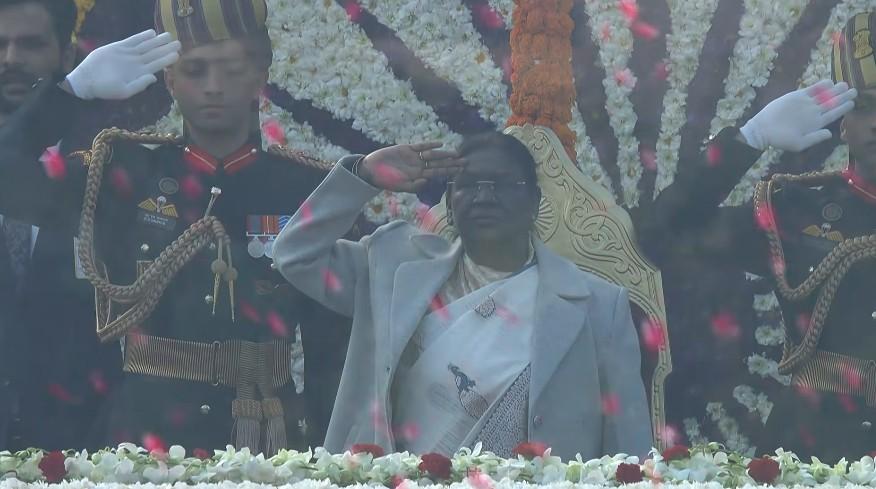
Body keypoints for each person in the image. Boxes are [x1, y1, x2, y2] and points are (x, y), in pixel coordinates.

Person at [0, 0, 350, 454]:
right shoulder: (122, 177)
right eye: (195, 70)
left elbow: (332, 352)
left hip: (268, 435)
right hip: (145, 440)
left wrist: (330, 455)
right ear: (170, 80)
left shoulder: (309, 189)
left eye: (231, 68)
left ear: (261, 75)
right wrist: (71, 92)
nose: (214, 87)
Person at [273, 131, 652, 460]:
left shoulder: (596, 305)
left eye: (503, 184)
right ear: (451, 205)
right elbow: (295, 254)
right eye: (470, 185)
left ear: (536, 203)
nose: (485, 197)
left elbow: (628, 442)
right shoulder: (394, 269)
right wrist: (363, 176)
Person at [638, 14, 869, 462]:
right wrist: (748, 138)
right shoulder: (796, 210)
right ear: (843, 122)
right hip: (812, 451)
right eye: (866, 107)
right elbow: (663, 230)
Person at [0, 0, 123, 451]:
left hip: (82, 452)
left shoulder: (110, 170)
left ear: (67, 58)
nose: (10, 59)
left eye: (30, 44)